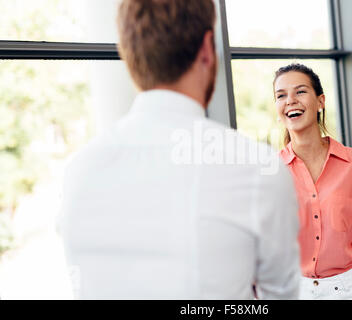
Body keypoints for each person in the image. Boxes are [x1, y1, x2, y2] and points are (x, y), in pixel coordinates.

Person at [58, 0, 300, 299]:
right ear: (207, 48)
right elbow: (281, 293)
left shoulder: (77, 171)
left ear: (129, 54)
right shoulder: (256, 169)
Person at [274, 63, 352, 300]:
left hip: (351, 291)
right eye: (281, 95)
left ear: (320, 102)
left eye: (300, 91)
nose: (290, 100)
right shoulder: (268, 172)